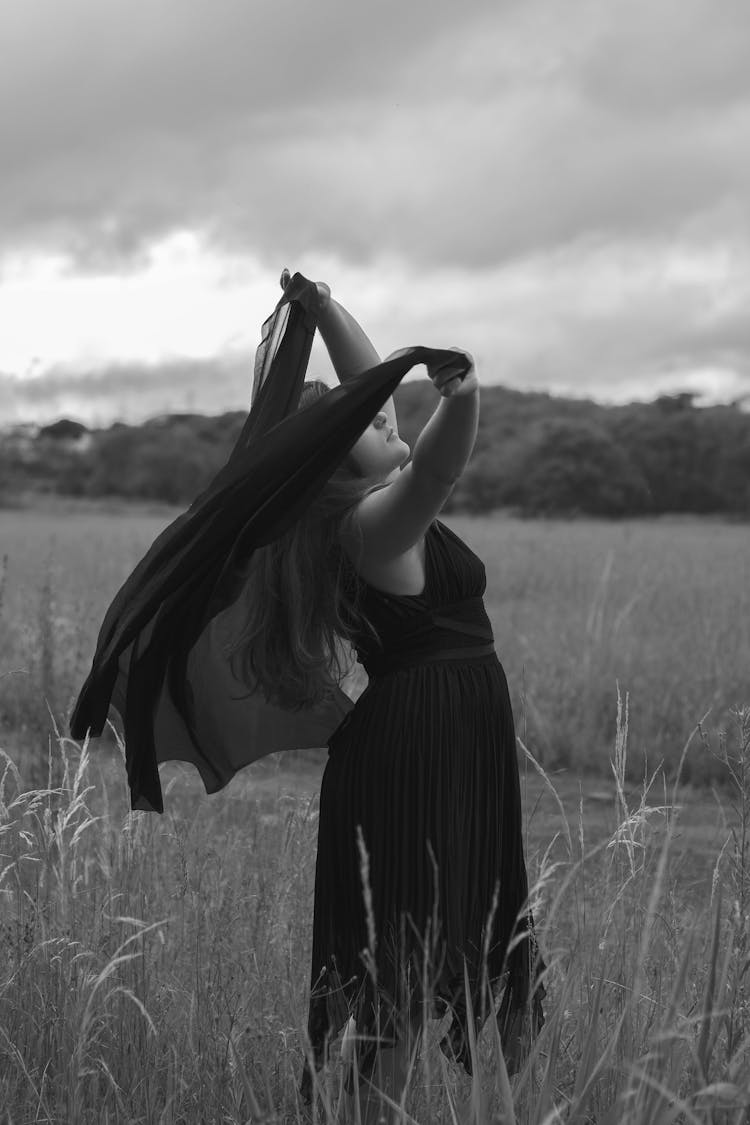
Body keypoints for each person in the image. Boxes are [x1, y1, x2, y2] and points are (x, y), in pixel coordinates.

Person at [251, 273, 546, 1122]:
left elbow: (366, 391)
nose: (391, 424)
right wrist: (464, 393)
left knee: (435, 957)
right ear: (347, 468)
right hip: (419, 744)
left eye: (385, 413)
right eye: (378, 428)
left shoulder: (367, 508)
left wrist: (325, 310)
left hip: (441, 735)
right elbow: (443, 465)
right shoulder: (377, 525)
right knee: (405, 983)